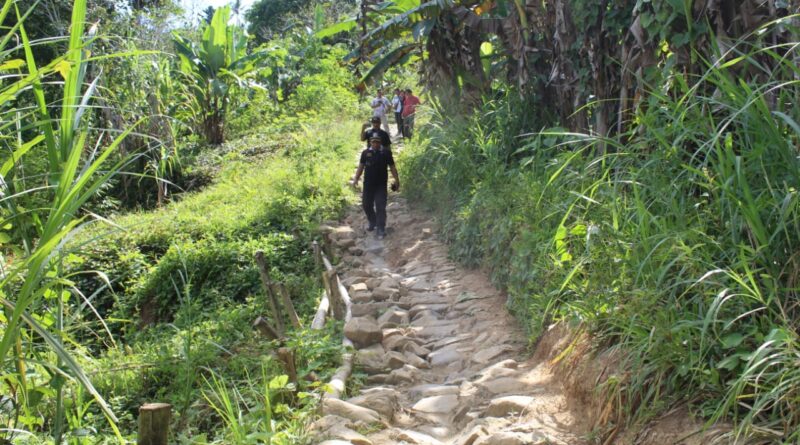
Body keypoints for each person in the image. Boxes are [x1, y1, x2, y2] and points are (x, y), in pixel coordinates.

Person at [351, 136, 400, 239]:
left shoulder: (386, 153)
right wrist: (356, 179)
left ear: (380, 142)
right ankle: (373, 221)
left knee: (380, 206)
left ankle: (381, 228)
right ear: (370, 142)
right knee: (366, 204)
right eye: (373, 142)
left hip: (381, 184)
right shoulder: (365, 153)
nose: (375, 144)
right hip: (368, 184)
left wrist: (396, 180)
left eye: (377, 142)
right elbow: (361, 166)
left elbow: (392, 167)